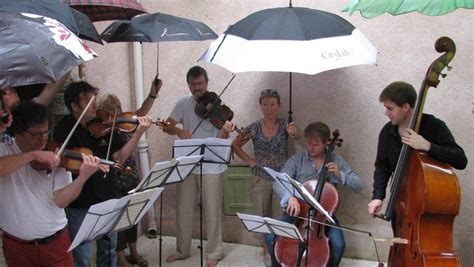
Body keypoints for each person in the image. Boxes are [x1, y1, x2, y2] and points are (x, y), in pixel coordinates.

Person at [53, 81, 152, 267]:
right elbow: (60, 162)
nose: (95, 105)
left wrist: (138, 134)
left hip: (107, 200)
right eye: (90, 102)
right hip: (80, 204)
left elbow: (120, 158)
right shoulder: (64, 129)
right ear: (75, 106)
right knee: (81, 256)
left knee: (109, 253)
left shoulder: (105, 126)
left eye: (94, 100)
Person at [0, 101, 107, 267]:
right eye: (36, 134)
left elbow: (61, 201)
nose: (43, 138)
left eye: (46, 132)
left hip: (56, 243)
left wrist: (82, 178)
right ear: (19, 133)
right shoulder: (4, 150)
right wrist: (32, 155)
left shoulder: (55, 153)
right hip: (18, 246)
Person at [162, 66, 235, 267]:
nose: (197, 88)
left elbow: (221, 136)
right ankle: (182, 250)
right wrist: (177, 130)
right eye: (193, 84)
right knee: (183, 209)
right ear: (188, 84)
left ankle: (214, 252)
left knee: (212, 210)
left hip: (211, 166)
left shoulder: (218, 107)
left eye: (200, 83)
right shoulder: (183, 103)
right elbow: (166, 126)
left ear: (206, 83)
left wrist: (226, 130)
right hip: (187, 163)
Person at [265, 122, 364, 267]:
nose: (310, 147)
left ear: (325, 143)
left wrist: (340, 174)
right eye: (308, 143)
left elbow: (359, 184)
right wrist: (289, 196)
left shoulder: (336, 160)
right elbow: (278, 183)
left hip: (324, 217)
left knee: (338, 245)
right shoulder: (297, 160)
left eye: (315, 144)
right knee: (270, 237)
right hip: (298, 213)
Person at [368, 81, 467, 218]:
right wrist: (377, 196)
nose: (386, 113)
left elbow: (460, 160)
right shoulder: (387, 132)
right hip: (400, 205)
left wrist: (427, 146)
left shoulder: (433, 126)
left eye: (390, 108)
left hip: (427, 206)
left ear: (406, 107)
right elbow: (382, 166)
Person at [98, 77, 162, 267]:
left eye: (117, 107)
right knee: (118, 220)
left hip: (130, 176)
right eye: (111, 109)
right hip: (114, 180)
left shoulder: (125, 122)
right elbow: (117, 157)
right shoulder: (103, 131)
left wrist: (153, 93)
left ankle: (133, 251)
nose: (116, 112)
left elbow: (141, 112)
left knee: (132, 215)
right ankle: (120, 257)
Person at [231, 88, 300, 264]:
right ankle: (266, 249)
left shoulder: (286, 125)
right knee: (261, 216)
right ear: (260, 106)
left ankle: (279, 248)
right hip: (259, 177)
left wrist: (295, 133)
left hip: (280, 179)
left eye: (272, 104)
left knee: (279, 216)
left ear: (279, 105)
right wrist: (249, 161)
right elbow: (235, 144)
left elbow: (299, 138)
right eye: (265, 104)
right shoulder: (253, 127)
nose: (269, 108)